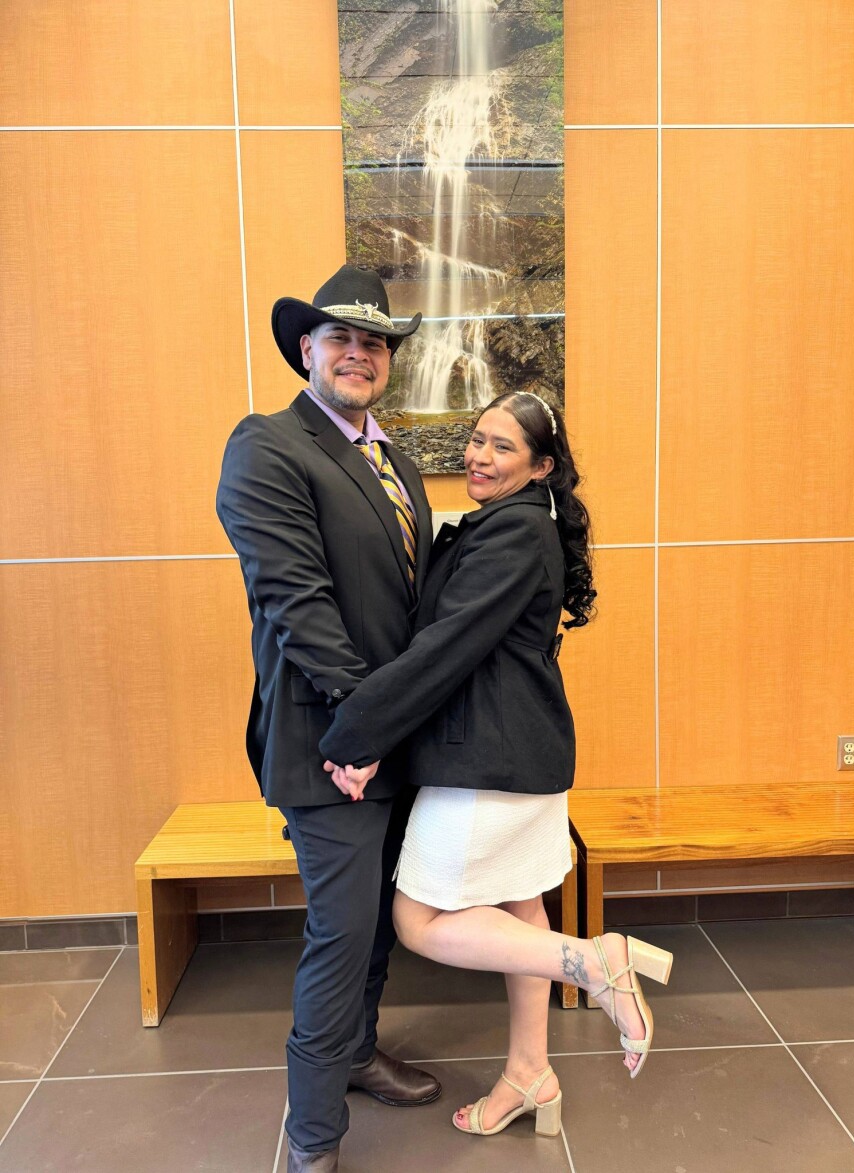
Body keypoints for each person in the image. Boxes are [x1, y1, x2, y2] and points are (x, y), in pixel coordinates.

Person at [319, 390, 674, 1138]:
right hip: (520, 754)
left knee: (418, 920)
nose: (479, 456)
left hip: (488, 759)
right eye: (478, 438)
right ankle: (529, 1072)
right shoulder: (518, 522)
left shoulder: (513, 533)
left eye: (502, 446)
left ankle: (595, 962)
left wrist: (356, 734)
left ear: (541, 466)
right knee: (520, 907)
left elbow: (445, 650)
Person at [216, 265, 441, 1173]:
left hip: (393, 741)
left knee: (380, 920)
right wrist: (361, 726)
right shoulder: (267, 445)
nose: (360, 353)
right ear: (306, 347)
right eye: (341, 337)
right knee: (341, 935)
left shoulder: (398, 463)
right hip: (329, 743)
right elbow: (295, 600)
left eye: (375, 341)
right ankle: (312, 1136)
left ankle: (356, 1052)